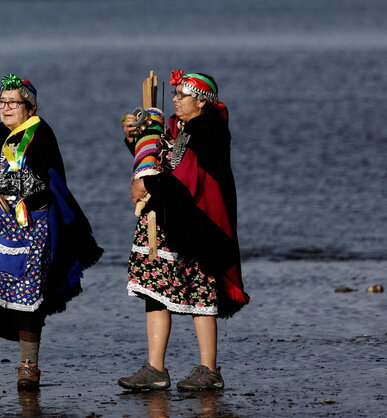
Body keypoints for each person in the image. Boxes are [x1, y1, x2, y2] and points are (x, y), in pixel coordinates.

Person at [0, 73, 102, 391]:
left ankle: (28, 367)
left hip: (30, 227)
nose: (6, 107)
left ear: (31, 106)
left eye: (13, 102)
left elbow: (40, 181)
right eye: (2, 101)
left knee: (27, 297)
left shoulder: (41, 135)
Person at [118, 70, 249, 391]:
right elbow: (160, 159)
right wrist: (137, 137)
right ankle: (155, 368)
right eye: (174, 94)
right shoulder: (180, 127)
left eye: (181, 95)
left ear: (201, 100)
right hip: (164, 219)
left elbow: (189, 176)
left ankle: (209, 368)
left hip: (196, 224)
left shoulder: (210, 131)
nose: (174, 100)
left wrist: (147, 183)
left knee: (200, 292)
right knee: (155, 291)